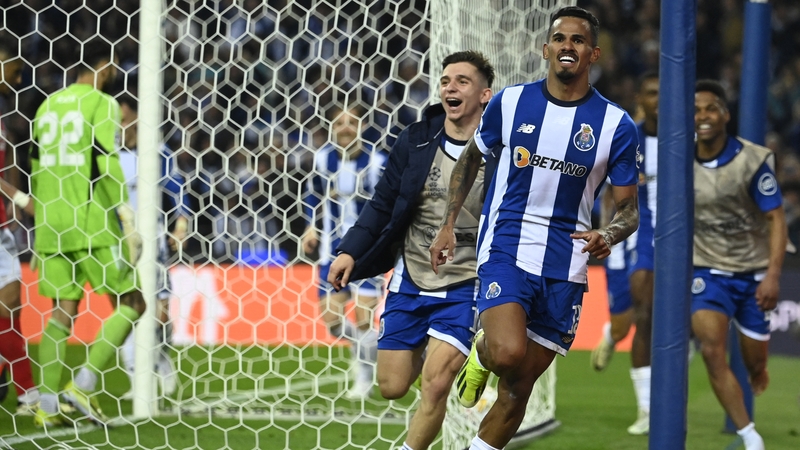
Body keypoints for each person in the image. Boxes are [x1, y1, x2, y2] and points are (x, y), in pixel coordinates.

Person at [429, 7, 640, 450]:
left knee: (519, 386)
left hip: (568, 262)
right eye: (560, 38)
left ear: (594, 53)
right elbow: (471, 157)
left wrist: (608, 234)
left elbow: (628, 211)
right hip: (508, 244)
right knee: (508, 353)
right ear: (546, 49)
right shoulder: (510, 102)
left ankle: (478, 424)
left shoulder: (616, 125)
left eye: (578, 40)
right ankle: (485, 350)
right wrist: (448, 223)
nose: (568, 46)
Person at [327, 51, 495, 450]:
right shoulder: (417, 140)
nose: (450, 87)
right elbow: (382, 202)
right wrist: (350, 251)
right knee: (392, 385)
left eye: (462, 81)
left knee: (434, 385)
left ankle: (466, 357)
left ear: (485, 95)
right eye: (446, 81)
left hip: (466, 282)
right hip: (411, 279)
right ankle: (468, 357)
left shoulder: (499, 148)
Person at [30, 38, 145, 428]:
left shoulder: (46, 106)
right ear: (105, 66)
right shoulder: (102, 103)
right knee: (133, 302)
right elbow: (105, 160)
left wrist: (42, 220)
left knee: (61, 312)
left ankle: (46, 407)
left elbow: (34, 165)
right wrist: (125, 216)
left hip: (51, 222)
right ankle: (82, 384)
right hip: (91, 221)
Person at [692, 79, 787, 450]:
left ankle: (757, 370)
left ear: (725, 115)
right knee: (712, 350)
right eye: (696, 110)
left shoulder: (752, 161)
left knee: (755, 365)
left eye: (710, 108)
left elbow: (776, 219)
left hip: (753, 275)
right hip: (706, 272)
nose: (703, 116)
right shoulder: (678, 159)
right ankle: (750, 436)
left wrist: (773, 276)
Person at [591, 71, 659, 435]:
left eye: (664, 93)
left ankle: (648, 408)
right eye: (652, 93)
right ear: (640, 100)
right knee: (625, 324)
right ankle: (610, 334)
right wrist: (608, 236)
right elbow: (607, 193)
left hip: (665, 238)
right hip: (629, 239)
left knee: (646, 316)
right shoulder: (628, 137)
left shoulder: (688, 140)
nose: (659, 100)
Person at [302, 104, 386, 399]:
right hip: (331, 251)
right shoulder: (322, 159)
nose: (346, 128)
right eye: (339, 123)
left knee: (363, 319)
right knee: (333, 322)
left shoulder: (376, 162)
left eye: (352, 122)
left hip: (367, 252)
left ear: (362, 127)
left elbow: (386, 204)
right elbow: (312, 194)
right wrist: (310, 226)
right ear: (332, 129)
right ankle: (375, 349)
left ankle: (363, 377)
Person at [117, 94, 190, 401]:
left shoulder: (157, 152)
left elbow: (177, 189)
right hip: (118, 245)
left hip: (153, 243)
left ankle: (162, 361)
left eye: (123, 120)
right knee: (126, 313)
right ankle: (137, 382)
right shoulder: (108, 154)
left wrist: (181, 224)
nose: (118, 126)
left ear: (136, 118)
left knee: (159, 314)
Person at [0, 43, 41, 415]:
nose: (18, 80)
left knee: (12, 311)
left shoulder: (2, 117)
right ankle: (28, 394)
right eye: (14, 71)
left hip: (2, 229)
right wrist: (22, 198)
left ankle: (20, 387)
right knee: (7, 308)